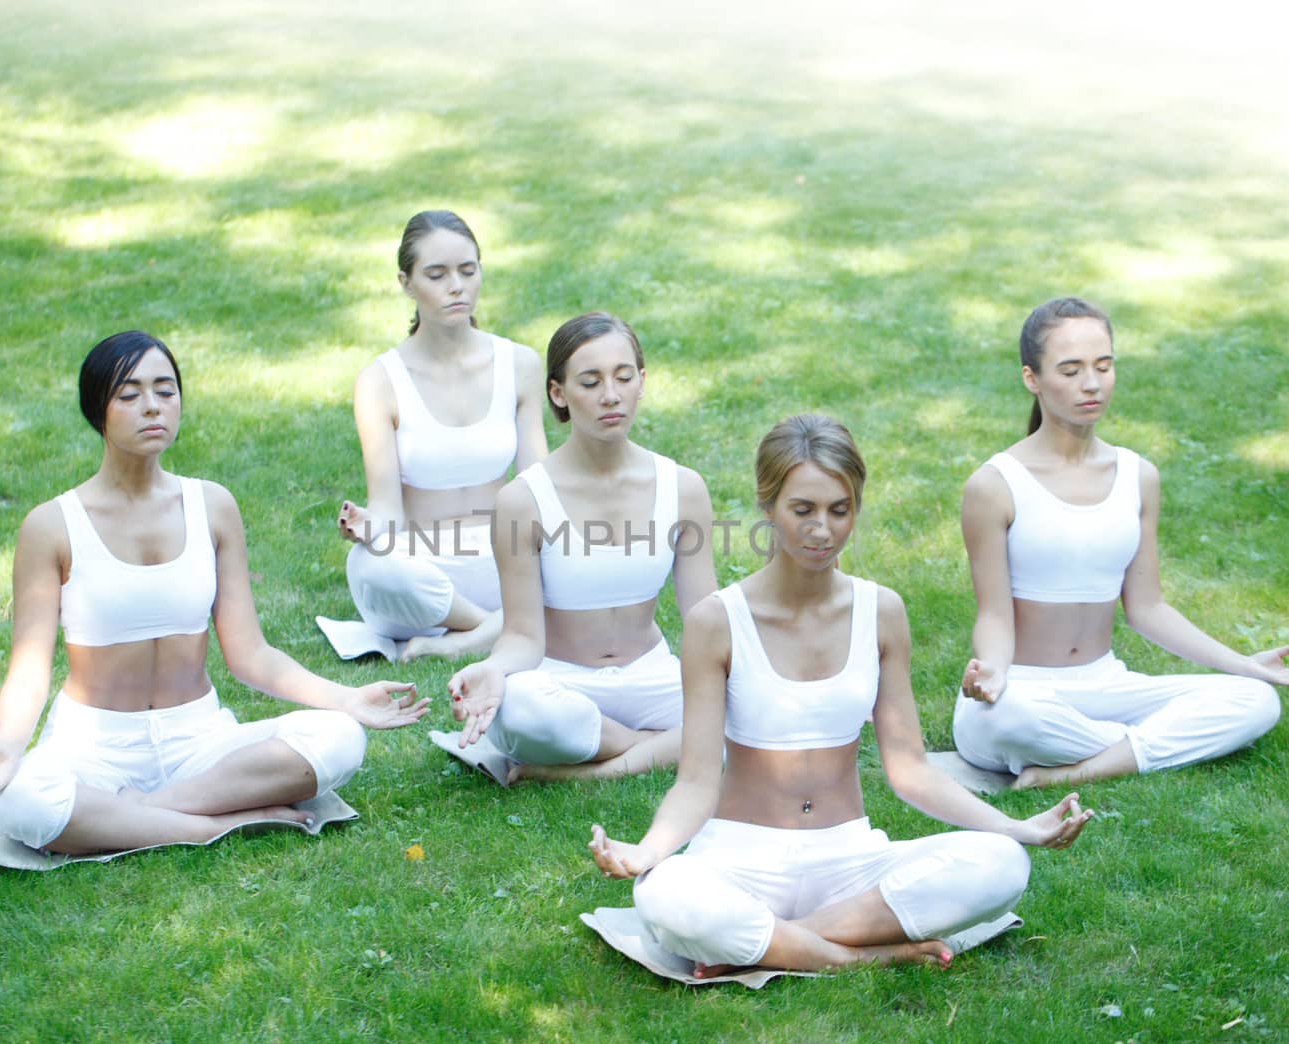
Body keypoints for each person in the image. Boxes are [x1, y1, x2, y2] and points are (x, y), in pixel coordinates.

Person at [589, 414, 1091, 976]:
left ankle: (773, 944)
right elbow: (698, 781)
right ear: (768, 506)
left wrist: (1015, 828)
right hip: (739, 859)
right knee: (663, 895)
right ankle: (864, 955)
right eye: (802, 510)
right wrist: (649, 852)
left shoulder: (882, 612)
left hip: (850, 863)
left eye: (839, 510)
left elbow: (910, 770)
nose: (822, 529)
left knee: (1002, 864)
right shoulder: (717, 621)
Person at [0, 331, 430, 855]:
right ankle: (214, 824)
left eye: (165, 390)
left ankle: (127, 817)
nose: (152, 406)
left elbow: (250, 655)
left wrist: (345, 699)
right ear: (98, 410)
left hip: (197, 738)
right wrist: (7, 745)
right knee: (21, 800)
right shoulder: (51, 525)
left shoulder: (212, 506)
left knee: (341, 739)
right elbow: (29, 666)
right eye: (129, 394)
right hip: (92, 744)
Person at [954, 297, 1289, 789]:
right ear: (1032, 378)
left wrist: (1244, 664)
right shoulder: (994, 484)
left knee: (1255, 699)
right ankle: (1143, 743)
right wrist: (995, 674)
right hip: (1024, 690)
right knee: (1006, 717)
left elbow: (1147, 608)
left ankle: (1082, 767)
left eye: (1103, 366)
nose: (1092, 383)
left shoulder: (1137, 475)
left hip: (1107, 684)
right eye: (1071, 370)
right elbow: (994, 614)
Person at [443, 312, 717, 782]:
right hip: (560, 683)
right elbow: (523, 636)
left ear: (642, 381)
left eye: (623, 377)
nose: (611, 395)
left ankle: (588, 771)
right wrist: (493, 669)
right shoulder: (523, 500)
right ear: (558, 393)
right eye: (590, 382)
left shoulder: (683, 488)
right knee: (520, 710)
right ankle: (658, 748)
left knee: (748, 706)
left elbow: (704, 619)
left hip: (652, 678)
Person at [333, 210, 548, 661]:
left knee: (578, 547)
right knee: (374, 569)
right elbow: (388, 506)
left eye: (468, 271)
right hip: (423, 569)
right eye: (437, 274)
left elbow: (536, 487)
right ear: (406, 283)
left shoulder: (520, 364)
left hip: (503, 560)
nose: (457, 286)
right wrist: (372, 528)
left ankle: (466, 640)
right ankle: (497, 625)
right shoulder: (379, 380)